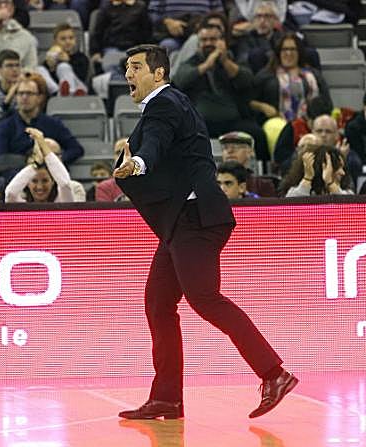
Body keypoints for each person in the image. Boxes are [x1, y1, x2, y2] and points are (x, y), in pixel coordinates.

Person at [114, 44, 297, 420]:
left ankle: (273, 374)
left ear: (158, 74)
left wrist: (139, 162)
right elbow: (161, 143)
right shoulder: (171, 104)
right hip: (181, 221)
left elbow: (155, 143)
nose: (128, 74)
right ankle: (167, 397)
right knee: (158, 303)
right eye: (126, 68)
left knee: (205, 299)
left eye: (135, 67)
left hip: (195, 218)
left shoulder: (164, 104)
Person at [172, 24, 268, 161]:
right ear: (198, 44)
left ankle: (263, 170)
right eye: (204, 40)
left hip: (232, 121)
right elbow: (179, 80)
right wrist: (206, 66)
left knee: (258, 134)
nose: (208, 43)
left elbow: (247, 80)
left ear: (222, 42)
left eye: (213, 39)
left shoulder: (232, 59)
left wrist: (225, 62)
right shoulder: (192, 62)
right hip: (201, 123)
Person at [5, 127, 76, 202]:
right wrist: (35, 165)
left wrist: (42, 144)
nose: (39, 187)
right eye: (34, 181)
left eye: (45, 181)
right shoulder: (22, 206)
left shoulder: (63, 202)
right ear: (27, 183)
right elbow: (10, 193)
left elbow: (65, 184)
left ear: (53, 182)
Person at [280, 146, 353, 197]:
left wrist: (330, 183)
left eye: (343, 168)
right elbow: (292, 207)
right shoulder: (295, 192)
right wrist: (308, 178)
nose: (343, 173)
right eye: (337, 168)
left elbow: (347, 207)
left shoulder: (347, 193)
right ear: (321, 169)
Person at [39, 22, 88, 96]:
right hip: (57, 90)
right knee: (39, 69)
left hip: (78, 88)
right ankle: (56, 92)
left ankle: (69, 93)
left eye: (71, 38)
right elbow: (49, 78)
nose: (68, 41)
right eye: (63, 39)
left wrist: (68, 61)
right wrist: (51, 67)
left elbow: (81, 76)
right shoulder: (51, 58)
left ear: (75, 40)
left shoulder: (81, 57)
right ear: (55, 41)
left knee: (63, 67)